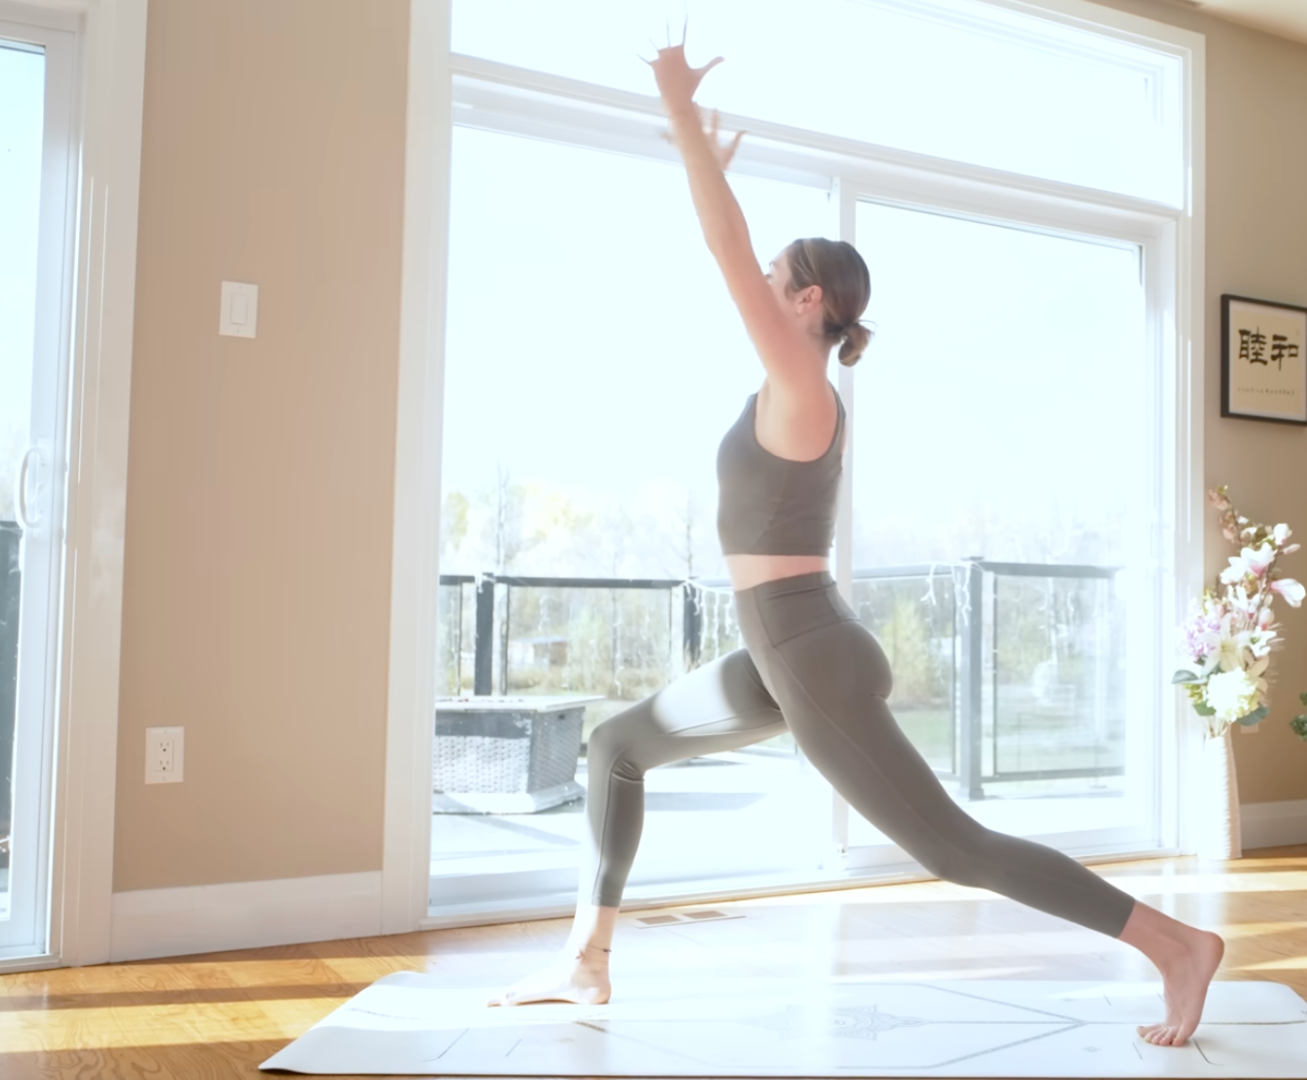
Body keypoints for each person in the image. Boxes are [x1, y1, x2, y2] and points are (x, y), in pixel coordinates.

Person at [487, 30, 1224, 1049]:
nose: (758, 286)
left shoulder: (800, 384)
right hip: (788, 647)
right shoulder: (789, 390)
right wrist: (693, 141)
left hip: (808, 652)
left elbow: (721, 246)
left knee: (952, 848)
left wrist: (684, 124)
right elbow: (737, 255)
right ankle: (585, 961)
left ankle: (1177, 945)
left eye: (776, 275)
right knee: (619, 747)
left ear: (810, 304)